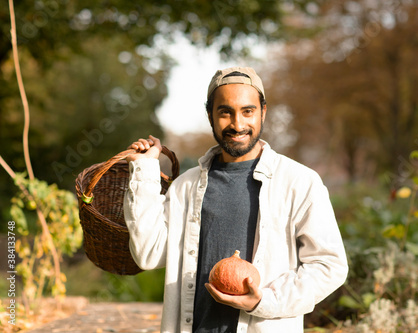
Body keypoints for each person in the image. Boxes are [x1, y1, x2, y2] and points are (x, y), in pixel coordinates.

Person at [123, 66, 348, 333]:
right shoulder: (186, 186)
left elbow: (328, 265)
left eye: (247, 111)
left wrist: (264, 301)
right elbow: (148, 254)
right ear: (210, 115)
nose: (237, 124)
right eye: (225, 112)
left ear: (263, 111)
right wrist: (144, 171)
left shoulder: (299, 182)